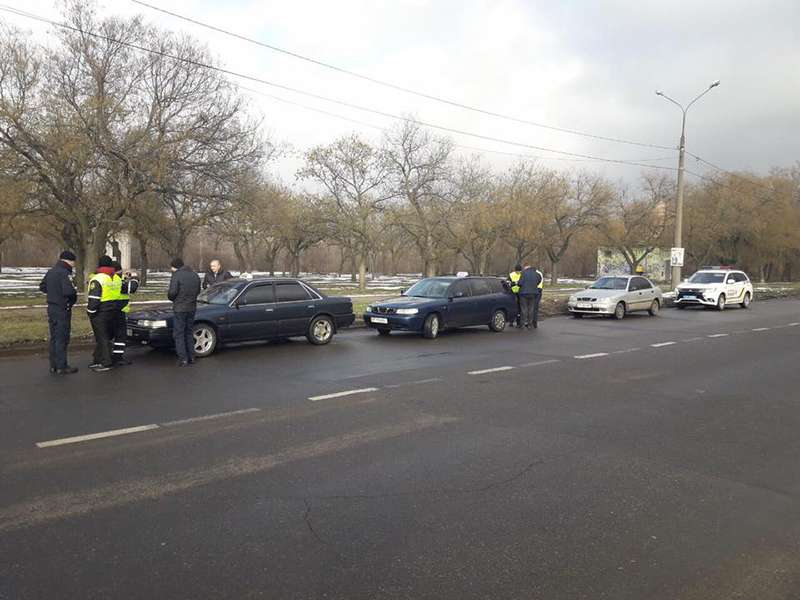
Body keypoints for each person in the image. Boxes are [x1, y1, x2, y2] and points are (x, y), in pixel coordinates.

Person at [39, 251, 79, 375]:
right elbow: (69, 292)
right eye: (73, 262)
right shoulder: (65, 273)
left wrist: (53, 293)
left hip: (51, 307)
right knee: (62, 337)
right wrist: (72, 301)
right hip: (62, 308)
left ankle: (54, 365)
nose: (73, 265)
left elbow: (42, 287)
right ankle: (62, 366)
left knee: (54, 337)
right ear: (69, 261)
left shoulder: (51, 271)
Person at [86, 255, 122, 372]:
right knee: (105, 336)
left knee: (102, 337)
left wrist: (90, 312)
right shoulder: (116, 277)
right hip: (113, 309)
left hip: (100, 310)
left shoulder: (98, 278)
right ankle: (98, 359)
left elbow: (94, 298)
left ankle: (106, 362)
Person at [167, 257, 201, 367]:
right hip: (192, 307)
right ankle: (192, 356)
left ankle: (183, 358)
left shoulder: (176, 275)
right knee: (189, 332)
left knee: (179, 333)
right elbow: (198, 291)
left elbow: (172, 293)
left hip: (180, 308)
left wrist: (173, 299)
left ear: (175, 266)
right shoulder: (195, 275)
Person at [111, 261, 139, 366]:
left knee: (108, 335)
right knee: (120, 335)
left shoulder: (108, 279)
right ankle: (117, 357)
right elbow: (131, 288)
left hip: (108, 310)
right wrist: (135, 278)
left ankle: (105, 355)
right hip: (119, 311)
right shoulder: (117, 280)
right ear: (119, 270)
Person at [518, 263, 544, 329]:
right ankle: (530, 324)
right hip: (534, 293)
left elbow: (520, 283)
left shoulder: (523, 273)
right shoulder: (537, 274)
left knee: (524, 309)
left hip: (523, 293)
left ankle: (522, 324)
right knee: (531, 309)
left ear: (526, 267)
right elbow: (539, 281)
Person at [508, 263, 523, 328]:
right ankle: (511, 322)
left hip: (520, 293)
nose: (519, 272)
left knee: (519, 308)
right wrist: (514, 283)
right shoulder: (511, 275)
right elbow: (508, 282)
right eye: (518, 271)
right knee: (512, 307)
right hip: (512, 292)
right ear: (515, 270)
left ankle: (518, 322)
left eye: (520, 271)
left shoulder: (522, 274)